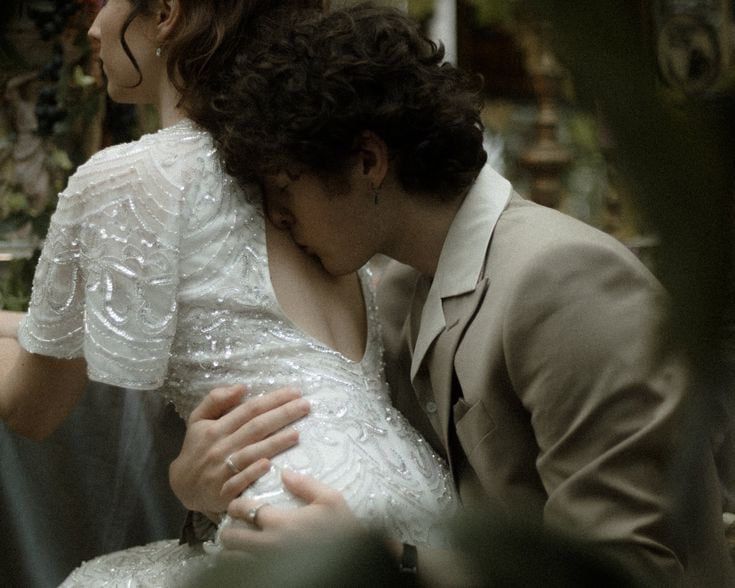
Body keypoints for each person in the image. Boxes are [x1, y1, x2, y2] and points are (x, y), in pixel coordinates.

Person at [170, 3, 735, 585]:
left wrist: (390, 560)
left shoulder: (566, 281)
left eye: (284, 187)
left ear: (367, 161)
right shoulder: (398, 295)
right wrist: (199, 487)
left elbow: (625, 572)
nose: (278, 217)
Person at [0, 0, 458, 585]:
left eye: (105, 1)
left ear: (165, 13)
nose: (92, 26)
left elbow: (31, 408)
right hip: (419, 518)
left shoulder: (133, 176)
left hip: (296, 529)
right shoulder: (300, 166)